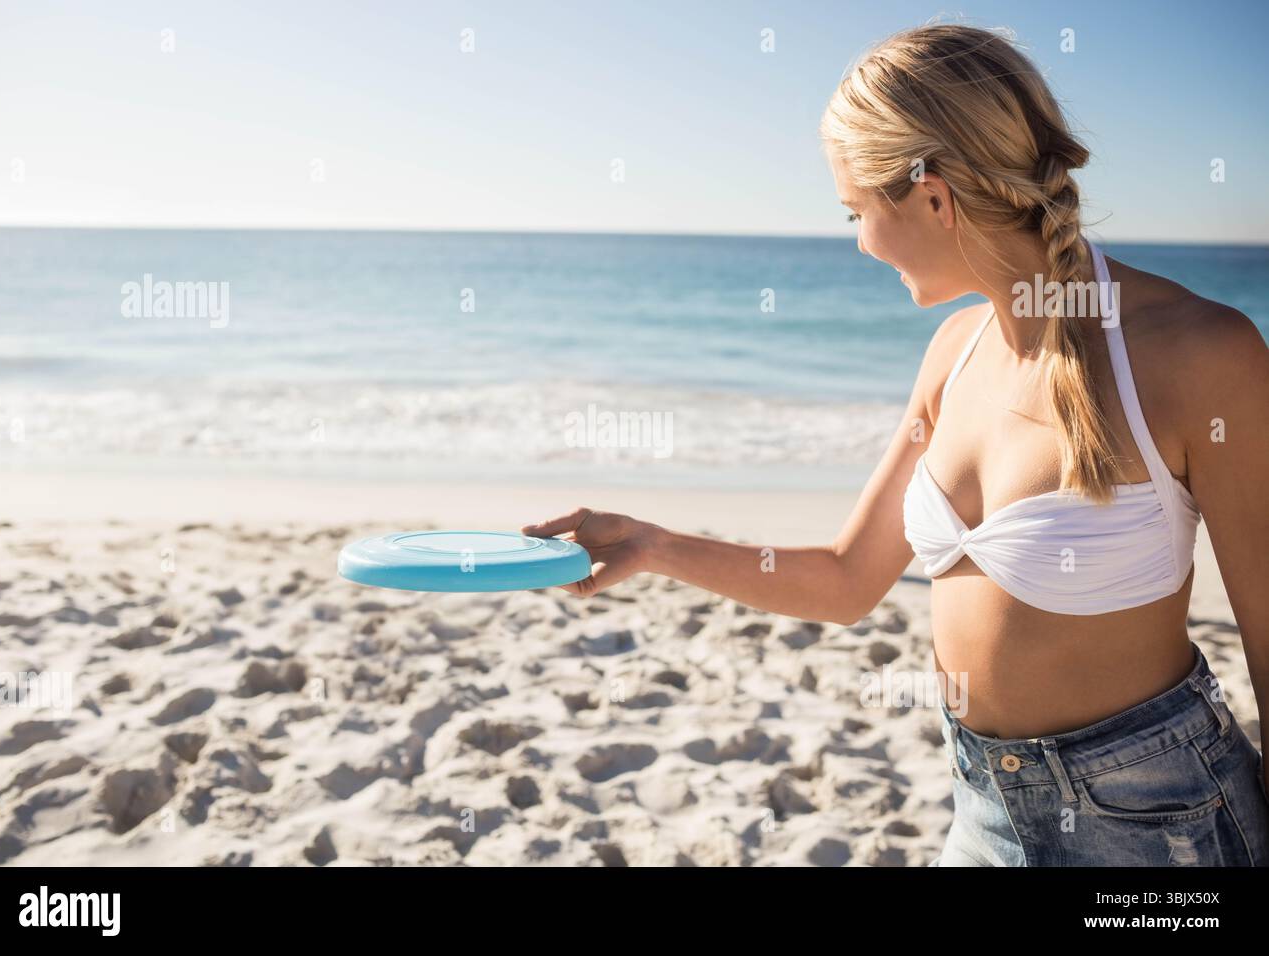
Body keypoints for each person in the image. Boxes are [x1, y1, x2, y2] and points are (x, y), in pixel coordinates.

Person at [522, 24, 1269, 865]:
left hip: (1159, 826)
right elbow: (847, 580)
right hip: (984, 808)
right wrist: (652, 546)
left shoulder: (1200, 354)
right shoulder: (954, 353)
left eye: (857, 212)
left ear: (933, 198)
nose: (859, 242)